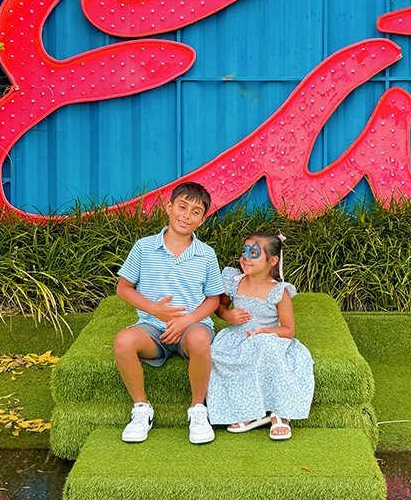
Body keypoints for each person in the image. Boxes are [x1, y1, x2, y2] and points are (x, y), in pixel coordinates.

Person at [113, 181, 226, 444]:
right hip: (153, 328)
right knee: (123, 341)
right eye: (182, 207)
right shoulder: (144, 247)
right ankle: (142, 409)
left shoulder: (206, 255)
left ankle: (198, 409)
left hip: (192, 328)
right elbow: (123, 288)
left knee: (199, 339)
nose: (186, 215)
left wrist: (187, 320)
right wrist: (154, 309)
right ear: (169, 207)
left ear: (202, 220)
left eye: (195, 212)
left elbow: (213, 300)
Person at [208, 233, 314, 440]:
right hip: (239, 337)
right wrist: (228, 315)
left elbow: (288, 330)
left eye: (254, 253)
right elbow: (220, 306)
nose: (246, 257)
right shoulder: (234, 282)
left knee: (263, 347)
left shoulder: (278, 292)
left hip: (269, 337)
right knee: (215, 354)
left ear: (272, 261)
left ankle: (279, 412)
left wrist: (265, 332)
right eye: (244, 252)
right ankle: (248, 411)